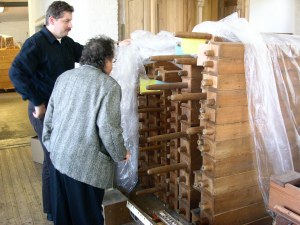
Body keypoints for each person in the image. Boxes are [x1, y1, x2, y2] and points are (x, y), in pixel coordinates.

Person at [42, 35, 129, 225]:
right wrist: (121, 154)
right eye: (112, 60)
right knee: (86, 218)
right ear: (105, 60)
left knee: (63, 216)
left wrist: (52, 145)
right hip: (86, 167)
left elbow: (49, 118)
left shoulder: (64, 77)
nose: (112, 66)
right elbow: (109, 130)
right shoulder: (108, 85)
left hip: (58, 157)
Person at [9, 1, 83, 221]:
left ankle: (62, 204)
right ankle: (53, 210)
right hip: (42, 111)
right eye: (66, 21)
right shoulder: (36, 44)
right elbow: (16, 72)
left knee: (62, 156)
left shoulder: (66, 43)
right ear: (52, 20)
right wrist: (37, 101)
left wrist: (116, 46)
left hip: (61, 109)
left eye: (71, 20)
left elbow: (89, 55)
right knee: (52, 158)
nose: (70, 25)